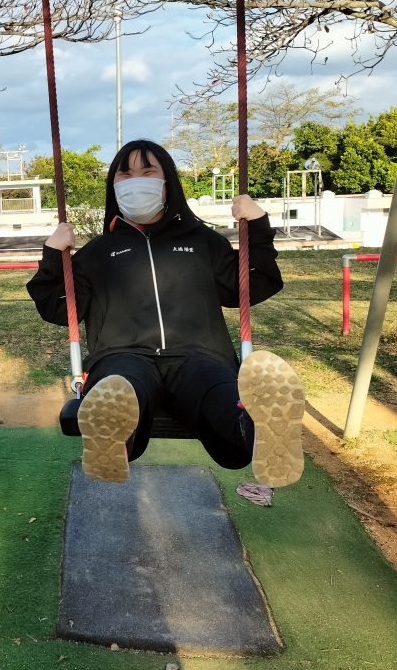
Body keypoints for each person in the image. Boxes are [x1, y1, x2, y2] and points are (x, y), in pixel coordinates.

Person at [27, 139, 305, 488]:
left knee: (214, 389)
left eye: (147, 172)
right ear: (113, 186)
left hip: (198, 353)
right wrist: (53, 255)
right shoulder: (98, 252)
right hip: (122, 353)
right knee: (122, 385)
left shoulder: (202, 240)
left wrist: (259, 226)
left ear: (166, 182)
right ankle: (112, 435)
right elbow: (58, 308)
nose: (136, 181)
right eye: (125, 175)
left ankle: (256, 431)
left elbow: (254, 284)